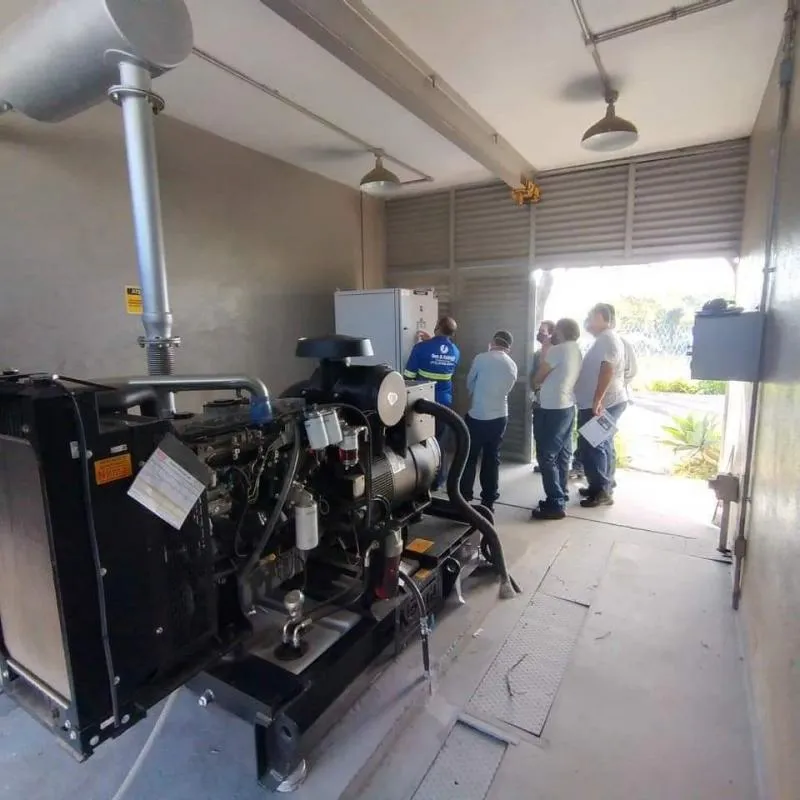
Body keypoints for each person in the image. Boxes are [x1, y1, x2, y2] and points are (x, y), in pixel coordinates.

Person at [574, 303, 628, 507]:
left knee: (593, 445)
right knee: (603, 444)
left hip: (602, 403)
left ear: (600, 317)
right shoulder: (605, 339)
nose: (587, 321)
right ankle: (603, 485)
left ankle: (601, 491)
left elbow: (607, 370)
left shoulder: (607, 339)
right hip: (606, 402)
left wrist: (597, 400)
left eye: (590, 317)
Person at [529, 318, 583, 520]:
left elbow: (538, 377)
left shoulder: (557, 350)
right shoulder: (575, 349)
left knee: (546, 456)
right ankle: (561, 493)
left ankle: (555, 503)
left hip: (552, 408)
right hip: (567, 406)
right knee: (562, 454)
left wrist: (545, 352)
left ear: (561, 331)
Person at [459, 331, 518, 512]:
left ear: (492, 342)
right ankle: (488, 500)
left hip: (478, 415)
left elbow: (470, 382)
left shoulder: (481, 358)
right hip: (500, 417)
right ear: (509, 347)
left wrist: (475, 395)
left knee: (469, 457)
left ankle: (465, 497)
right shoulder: (512, 364)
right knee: (492, 458)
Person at [404, 316, 460, 487]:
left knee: (420, 440)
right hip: (444, 403)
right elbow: (441, 358)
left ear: (437, 327)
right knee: (439, 441)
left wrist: (425, 345)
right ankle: (438, 479)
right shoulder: (455, 351)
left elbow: (408, 376)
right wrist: (432, 343)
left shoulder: (420, 348)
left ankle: (420, 479)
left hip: (421, 402)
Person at [530, 320, 555, 473]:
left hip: (551, 400)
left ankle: (550, 464)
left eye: (542, 332)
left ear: (551, 334)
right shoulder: (537, 353)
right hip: (538, 399)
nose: (539, 334)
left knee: (550, 435)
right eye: (539, 331)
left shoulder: (555, 353)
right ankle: (542, 463)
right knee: (538, 433)